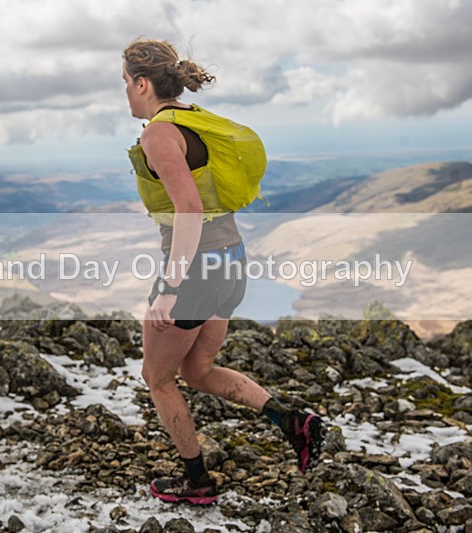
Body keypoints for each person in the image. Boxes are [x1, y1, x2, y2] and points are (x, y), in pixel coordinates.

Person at [123, 38, 325, 505]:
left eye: (126, 84)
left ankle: (197, 482)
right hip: (231, 260)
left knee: (157, 377)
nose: (127, 94)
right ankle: (294, 423)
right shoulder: (194, 121)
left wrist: (170, 288)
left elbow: (189, 211)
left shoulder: (158, 133)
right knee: (198, 369)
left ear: (142, 82)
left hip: (195, 271)